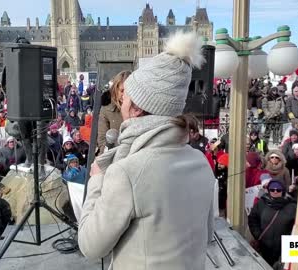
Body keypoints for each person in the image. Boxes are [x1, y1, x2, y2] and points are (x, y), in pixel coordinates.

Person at [78, 32, 215, 269]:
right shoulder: (200, 161)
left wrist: (97, 181)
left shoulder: (126, 173)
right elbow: (208, 233)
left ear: (137, 108)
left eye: (126, 98)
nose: (121, 105)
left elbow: (90, 245)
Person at [248, 180, 297, 266]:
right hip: (264, 248)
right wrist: (258, 234)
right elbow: (253, 219)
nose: (275, 191)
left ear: (283, 191)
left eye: (278, 190)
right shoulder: (262, 203)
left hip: (283, 250)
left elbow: (297, 226)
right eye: (272, 189)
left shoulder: (292, 206)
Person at [97, 70, 131, 154]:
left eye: (128, 91)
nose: (125, 95)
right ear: (116, 90)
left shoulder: (139, 109)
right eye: (122, 91)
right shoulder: (107, 110)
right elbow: (102, 140)